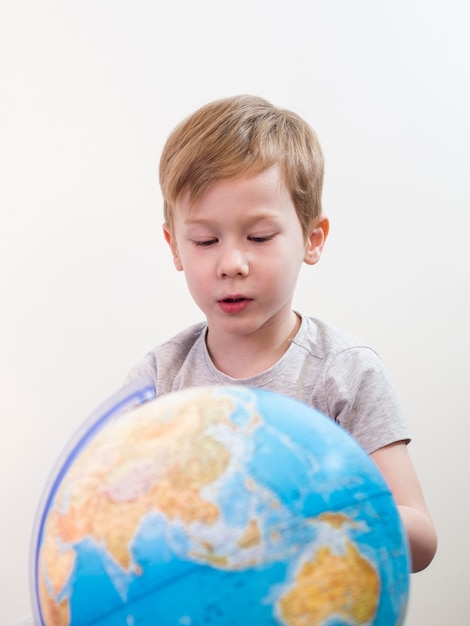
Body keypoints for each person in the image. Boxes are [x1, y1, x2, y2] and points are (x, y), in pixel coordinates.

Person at [125, 94, 437, 573]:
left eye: (259, 237)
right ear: (175, 247)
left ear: (312, 238)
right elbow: (112, 509)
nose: (231, 264)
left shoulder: (345, 373)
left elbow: (420, 539)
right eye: (205, 241)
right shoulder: (158, 378)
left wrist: (321, 506)